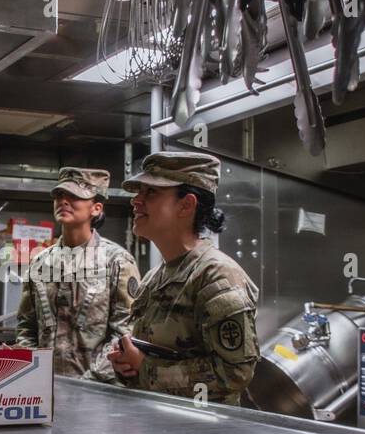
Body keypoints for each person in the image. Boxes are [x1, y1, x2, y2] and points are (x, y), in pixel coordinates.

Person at [106, 152, 260, 405]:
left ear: (186, 205)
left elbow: (235, 374)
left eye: (151, 192)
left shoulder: (216, 277)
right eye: (139, 192)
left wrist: (147, 369)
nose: (136, 201)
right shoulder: (156, 276)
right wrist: (127, 364)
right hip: (162, 428)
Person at [15, 167, 140, 380]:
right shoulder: (40, 262)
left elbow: (125, 332)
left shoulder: (117, 261)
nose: (63, 201)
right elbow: (26, 327)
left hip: (100, 389)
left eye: (74, 197)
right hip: (45, 386)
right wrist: (35, 375)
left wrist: (92, 380)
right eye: (59, 195)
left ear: (96, 208)